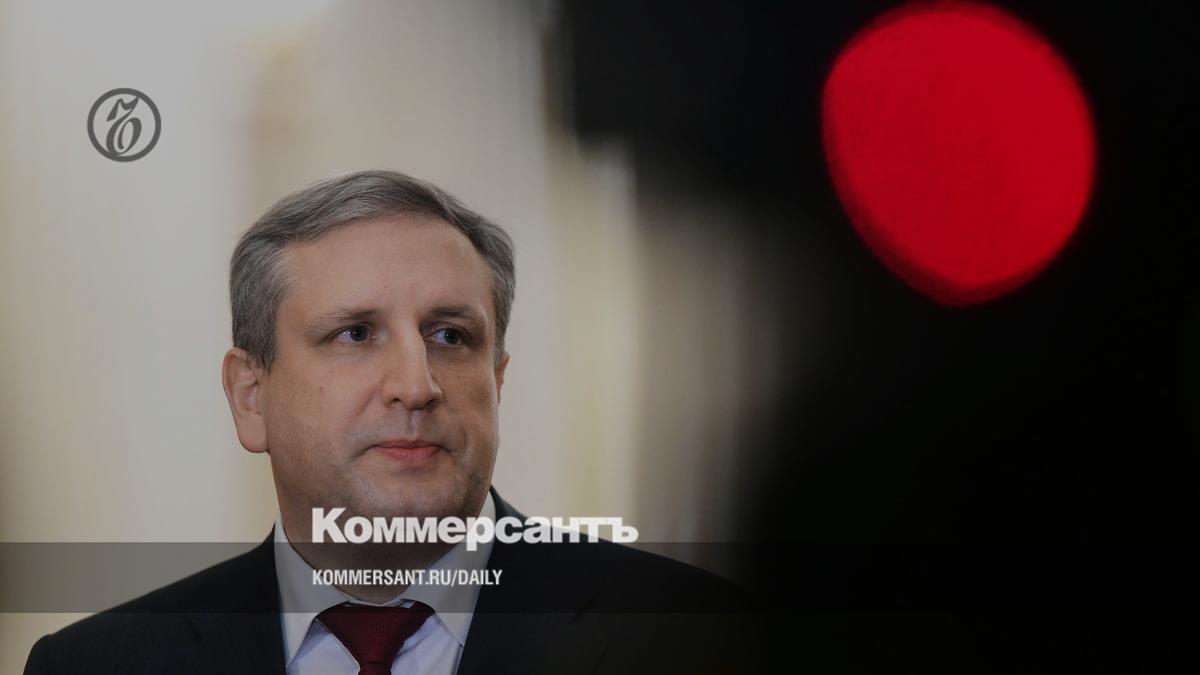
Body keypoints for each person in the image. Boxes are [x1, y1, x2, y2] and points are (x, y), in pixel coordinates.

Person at [23, 170, 753, 674]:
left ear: (497, 382)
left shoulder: (699, 640)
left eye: (451, 336)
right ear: (250, 395)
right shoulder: (96, 665)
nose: (416, 385)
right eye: (355, 333)